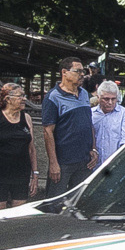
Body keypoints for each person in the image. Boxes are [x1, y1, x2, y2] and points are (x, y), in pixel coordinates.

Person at [40, 58, 95, 196]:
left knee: (79, 200)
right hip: (63, 162)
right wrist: (53, 163)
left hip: (84, 160)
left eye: (83, 71)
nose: (82, 74)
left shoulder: (84, 94)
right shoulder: (53, 97)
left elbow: (89, 123)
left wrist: (93, 149)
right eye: (78, 71)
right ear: (64, 72)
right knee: (55, 202)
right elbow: (48, 132)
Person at [0, 84, 37, 208]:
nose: (24, 99)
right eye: (20, 96)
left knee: (19, 213)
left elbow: (31, 149)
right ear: (8, 99)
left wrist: (35, 173)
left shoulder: (27, 118)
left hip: (21, 172)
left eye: (24, 96)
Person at [88, 79, 125, 172]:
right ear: (98, 98)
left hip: (115, 167)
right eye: (106, 99)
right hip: (92, 166)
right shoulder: (90, 114)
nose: (110, 102)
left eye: (113, 99)